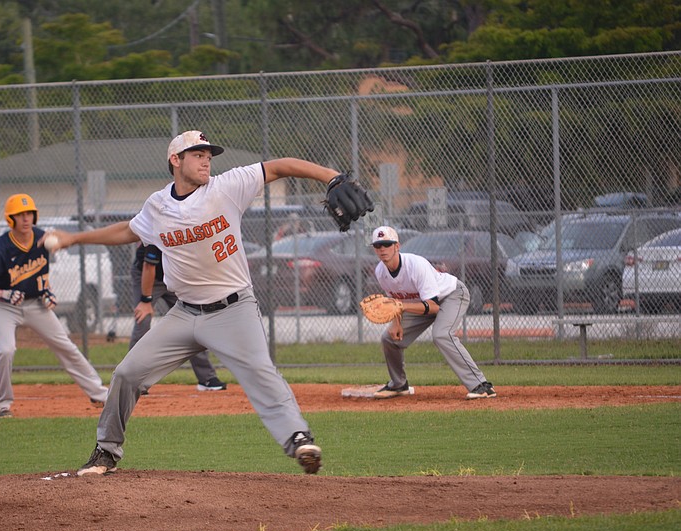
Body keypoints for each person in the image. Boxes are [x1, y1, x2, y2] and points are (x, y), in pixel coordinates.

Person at [44, 130, 347, 475]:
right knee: (127, 374)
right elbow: (128, 231)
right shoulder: (158, 205)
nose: (206, 160)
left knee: (261, 372)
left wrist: (332, 177)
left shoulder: (226, 187)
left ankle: (298, 438)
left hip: (233, 310)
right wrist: (75, 238)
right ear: (176, 160)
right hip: (184, 314)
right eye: (197, 154)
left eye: (208, 154)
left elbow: (280, 167)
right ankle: (106, 451)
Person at [0, 193, 109, 417]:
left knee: (65, 345)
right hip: (2, 306)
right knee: (6, 350)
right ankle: (3, 405)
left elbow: (40, 276)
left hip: (35, 305)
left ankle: (99, 394)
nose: (26, 219)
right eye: (20, 215)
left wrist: (46, 293)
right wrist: (1, 293)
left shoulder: (43, 240)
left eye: (29, 214)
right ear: (10, 219)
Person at [368, 225, 497, 400]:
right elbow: (394, 303)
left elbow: (434, 307)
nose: (382, 249)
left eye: (387, 244)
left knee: (442, 334)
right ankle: (398, 385)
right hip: (421, 304)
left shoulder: (415, 265)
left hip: (451, 295)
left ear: (397, 246)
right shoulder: (380, 272)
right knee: (389, 338)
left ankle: (481, 385)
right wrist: (397, 323)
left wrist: (402, 306)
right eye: (378, 246)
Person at [131, 243, 227, 392]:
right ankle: (133, 381)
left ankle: (206, 378)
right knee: (143, 321)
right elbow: (148, 267)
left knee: (192, 321)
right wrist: (145, 301)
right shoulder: (159, 236)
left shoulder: (192, 237)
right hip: (147, 276)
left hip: (174, 280)